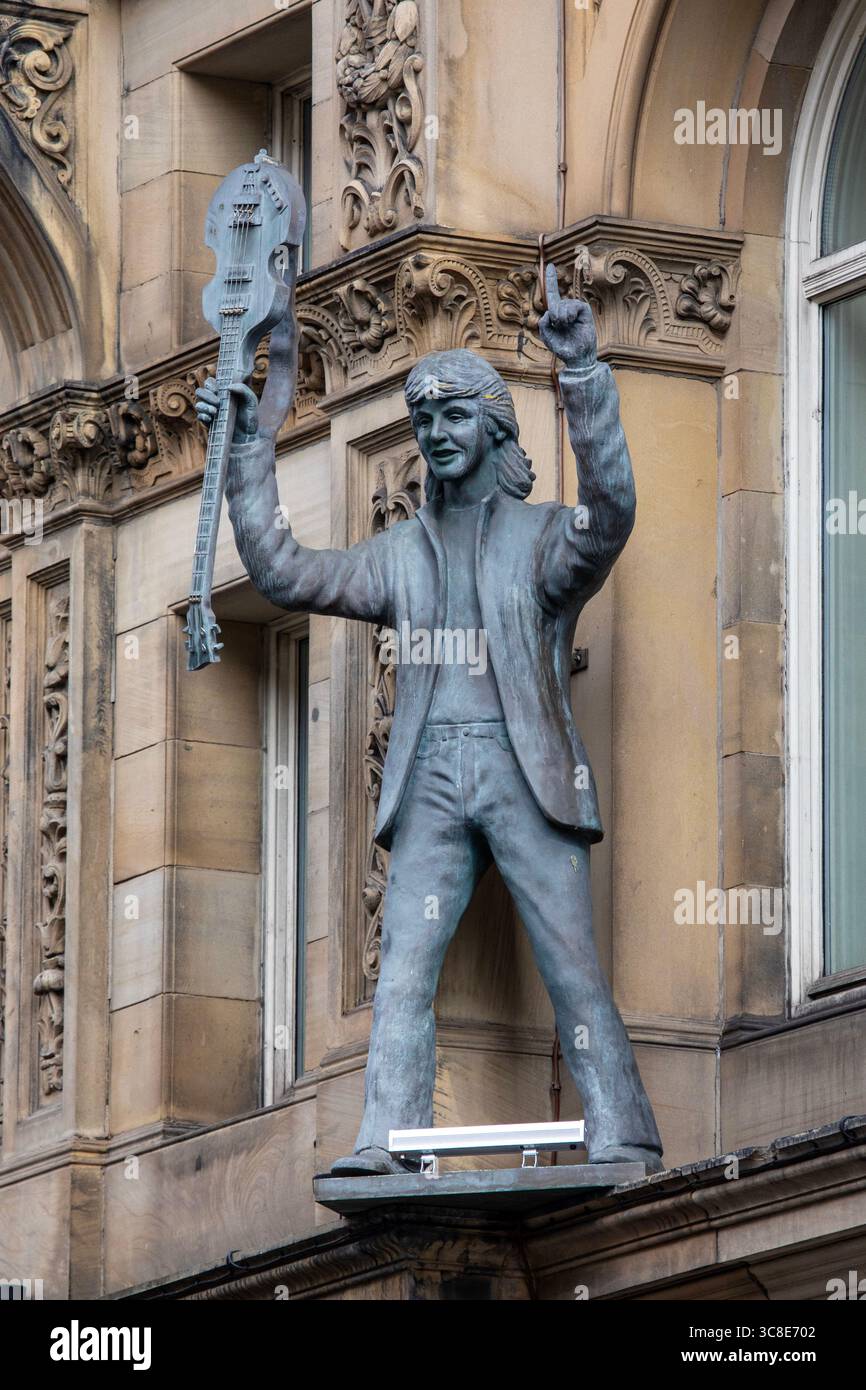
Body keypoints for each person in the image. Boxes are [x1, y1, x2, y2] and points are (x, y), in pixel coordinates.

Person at [195, 264, 664, 1176]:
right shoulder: (398, 554)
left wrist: (583, 376)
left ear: (492, 427)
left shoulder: (543, 539)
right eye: (423, 421)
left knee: (571, 967)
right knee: (400, 976)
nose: (434, 434)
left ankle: (625, 1131)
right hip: (433, 782)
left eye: (452, 417)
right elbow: (289, 574)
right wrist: (249, 459)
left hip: (523, 770)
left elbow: (615, 514)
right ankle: (383, 1142)